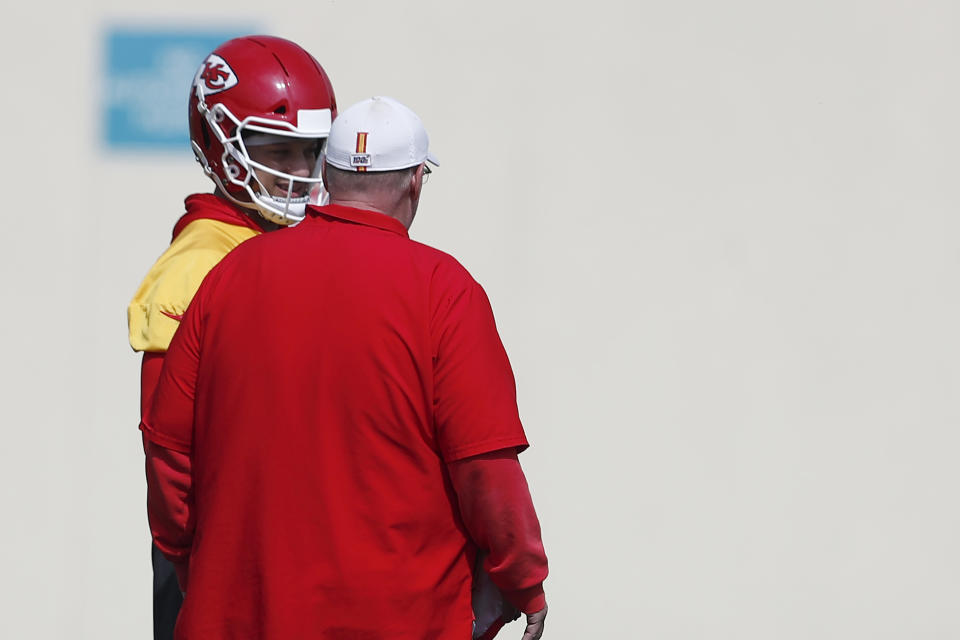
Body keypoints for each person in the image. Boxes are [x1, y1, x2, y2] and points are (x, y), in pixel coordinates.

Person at [141, 96, 549, 639]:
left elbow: (169, 452)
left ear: (327, 177)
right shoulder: (444, 290)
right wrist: (523, 579)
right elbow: (485, 465)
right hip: (398, 620)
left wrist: (197, 567)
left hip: (240, 617)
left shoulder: (230, 275)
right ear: (414, 183)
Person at [127, 35, 337, 640]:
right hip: (217, 560)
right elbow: (169, 451)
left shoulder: (274, 247)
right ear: (222, 145)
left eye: (312, 153)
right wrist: (205, 570)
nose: (300, 173)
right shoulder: (198, 265)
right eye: (280, 150)